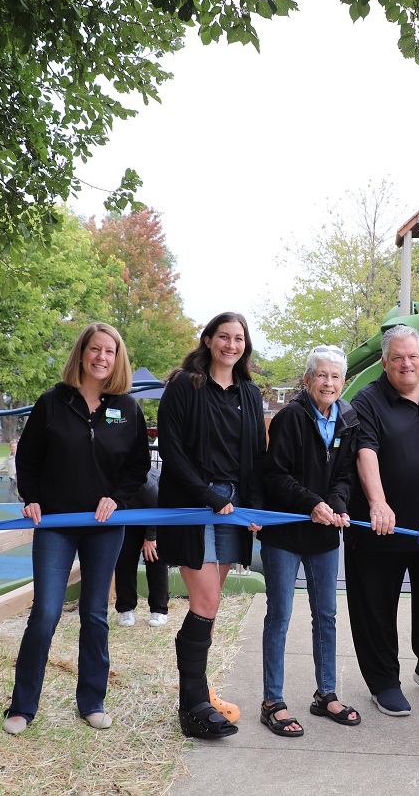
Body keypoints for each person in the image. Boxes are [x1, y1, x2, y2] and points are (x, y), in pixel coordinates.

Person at [4, 322, 150, 736]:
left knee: (94, 613)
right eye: (95, 349)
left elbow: (137, 467)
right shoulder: (52, 402)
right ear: (82, 353)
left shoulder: (127, 408)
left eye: (110, 351)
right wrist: (31, 497)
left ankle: (92, 702)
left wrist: (116, 499)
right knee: (46, 613)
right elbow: (28, 458)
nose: (102, 357)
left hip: (105, 526)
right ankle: (22, 707)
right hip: (57, 525)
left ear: (118, 359)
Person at [346, 324, 419, 717]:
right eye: (397, 357)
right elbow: (365, 452)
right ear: (385, 362)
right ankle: (383, 682)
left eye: (412, 356)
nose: (406, 364)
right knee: (376, 606)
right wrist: (377, 502)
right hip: (383, 525)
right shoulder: (367, 400)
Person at [158, 312, 267, 740]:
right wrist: (209, 496)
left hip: (232, 507)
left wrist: (252, 507)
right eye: (224, 336)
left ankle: (200, 692)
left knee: (210, 604)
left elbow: (256, 455)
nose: (231, 345)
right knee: (205, 600)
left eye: (238, 339)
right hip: (195, 503)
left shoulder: (250, 393)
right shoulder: (185, 385)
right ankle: (193, 708)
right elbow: (171, 449)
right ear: (208, 340)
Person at [258, 345, 361, 736]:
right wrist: (312, 503)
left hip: (323, 535)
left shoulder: (347, 420)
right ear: (307, 380)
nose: (328, 383)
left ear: (343, 381)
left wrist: (336, 505)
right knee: (280, 615)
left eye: (335, 376)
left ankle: (326, 694)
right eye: (321, 375)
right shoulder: (290, 417)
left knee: (326, 615)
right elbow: (275, 475)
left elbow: (345, 477)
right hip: (285, 534)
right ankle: (273, 701)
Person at [114, 468, 170, 628]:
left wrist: (151, 536)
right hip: (128, 518)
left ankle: (159, 610)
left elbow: (160, 505)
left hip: (155, 516)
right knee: (124, 559)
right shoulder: (107, 476)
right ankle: (126, 609)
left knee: (155, 557)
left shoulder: (144, 480)